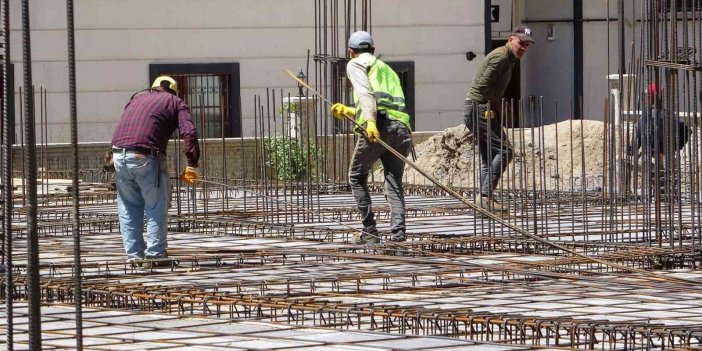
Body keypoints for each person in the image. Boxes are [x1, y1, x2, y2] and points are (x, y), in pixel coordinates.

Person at [330, 31, 413, 244]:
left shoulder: (355, 64)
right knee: (394, 181)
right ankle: (398, 233)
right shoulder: (387, 69)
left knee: (356, 176)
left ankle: (370, 231)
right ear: (373, 50)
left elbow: (367, 94)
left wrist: (371, 122)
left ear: (351, 52)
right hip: (402, 128)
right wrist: (351, 111)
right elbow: (384, 101)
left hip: (379, 126)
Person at [111, 76, 200, 266]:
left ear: (153, 88)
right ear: (173, 91)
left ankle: (134, 257)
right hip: (146, 156)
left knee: (128, 208)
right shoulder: (175, 102)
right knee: (155, 205)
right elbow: (189, 132)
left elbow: (125, 128)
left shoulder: (135, 100)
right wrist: (192, 163)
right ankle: (156, 255)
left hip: (118, 155)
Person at [464, 25, 534, 211]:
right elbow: (484, 86)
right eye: (521, 43)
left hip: (480, 107)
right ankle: (485, 196)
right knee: (505, 151)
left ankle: (485, 201)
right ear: (511, 39)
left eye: (527, 45)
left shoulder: (509, 59)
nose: (524, 48)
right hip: (479, 107)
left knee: (489, 157)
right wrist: (497, 105)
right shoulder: (501, 56)